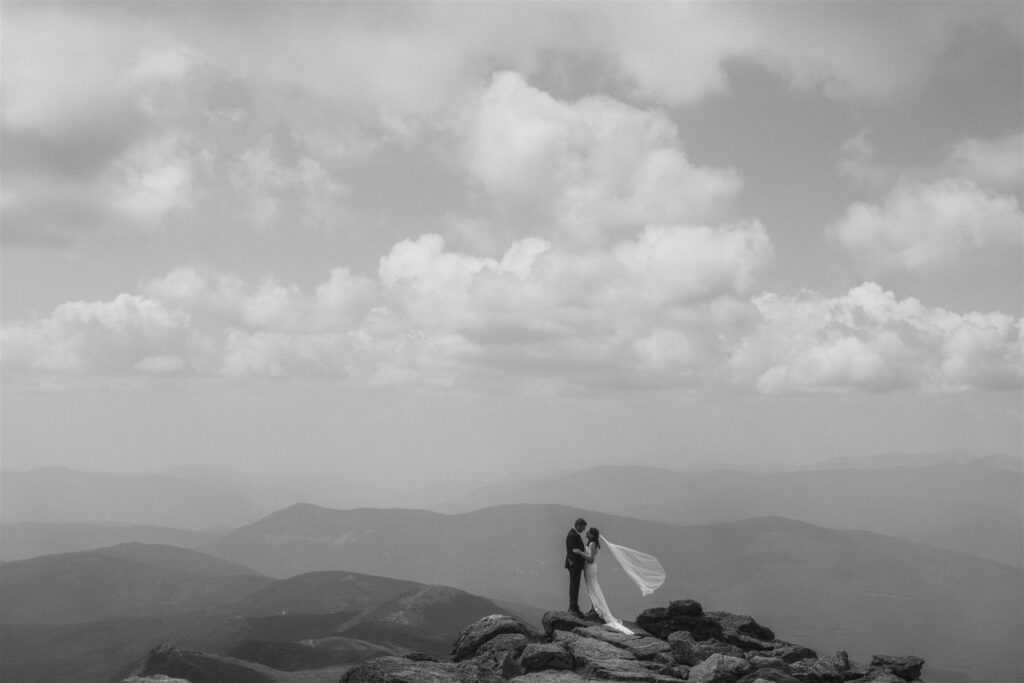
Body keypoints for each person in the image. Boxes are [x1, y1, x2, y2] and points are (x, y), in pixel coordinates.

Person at [579, 527, 633, 634]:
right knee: (591, 587)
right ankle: (593, 608)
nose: (587, 533)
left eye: (589, 532)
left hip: (590, 568)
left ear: (592, 535)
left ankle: (597, 609)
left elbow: (590, 559)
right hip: (589, 568)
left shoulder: (592, 544)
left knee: (592, 587)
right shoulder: (592, 543)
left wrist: (580, 552)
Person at [565, 517, 588, 617]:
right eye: (583, 527)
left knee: (575, 585)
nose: (583, 530)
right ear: (578, 525)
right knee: (574, 585)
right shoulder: (572, 535)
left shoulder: (574, 534)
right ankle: (573, 606)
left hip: (576, 565)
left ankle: (574, 606)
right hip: (574, 565)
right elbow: (573, 551)